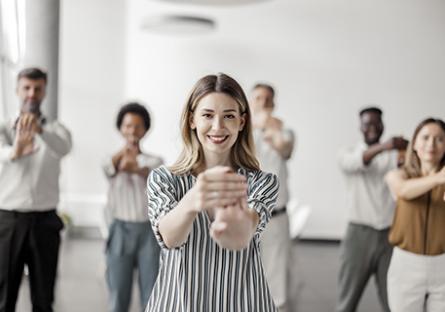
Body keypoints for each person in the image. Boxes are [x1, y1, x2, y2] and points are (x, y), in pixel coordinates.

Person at [145, 73, 279, 312]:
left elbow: (241, 235)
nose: (218, 127)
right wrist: (195, 197)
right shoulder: (163, 179)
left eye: (229, 116)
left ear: (242, 122)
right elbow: (170, 238)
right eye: (208, 115)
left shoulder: (262, 182)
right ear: (192, 120)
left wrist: (233, 223)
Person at [0, 67, 72, 312]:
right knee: (3, 296)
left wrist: (39, 130)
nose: (32, 93)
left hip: (45, 222)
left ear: (45, 91)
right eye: (26, 88)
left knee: (43, 298)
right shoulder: (3, 128)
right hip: (8, 221)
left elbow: (63, 147)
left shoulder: (56, 130)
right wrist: (15, 151)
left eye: (37, 88)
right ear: (17, 90)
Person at [336, 107, 408, 312]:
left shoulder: (395, 156)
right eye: (368, 123)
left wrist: (405, 146)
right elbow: (359, 161)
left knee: (393, 299)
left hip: (389, 234)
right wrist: (386, 146)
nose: (373, 128)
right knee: (347, 299)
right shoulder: (347, 152)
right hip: (359, 234)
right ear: (360, 126)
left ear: (383, 125)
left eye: (377, 123)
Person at [103, 102, 162, 312]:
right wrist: (124, 154)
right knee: (118, 292)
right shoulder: (110, 159)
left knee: (151, 292)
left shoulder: (155, 160)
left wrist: (135, 166)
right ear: (120, 128)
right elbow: (109, 168)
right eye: (128, 126)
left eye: (138, 126)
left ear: (145, 129)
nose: (132, 131)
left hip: (149, 232)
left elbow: (151, 174)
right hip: (120, 230)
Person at [385, 118, 445, 312]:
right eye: (425, 137)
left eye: (439, 139)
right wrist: (438, 178)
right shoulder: (398, 175)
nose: (431, 144)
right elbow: (402, 190)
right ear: (415, 143)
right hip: (406, 265)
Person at [249, 83, 295, 312]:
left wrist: (272, 129)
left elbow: (285, 149)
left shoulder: (284, 131)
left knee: (277, 284)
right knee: (244, 278)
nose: (264, 102)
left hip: (277, 216)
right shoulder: (242, 132)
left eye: (268, 98)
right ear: (251, 101)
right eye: (258, 98)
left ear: (274, 103)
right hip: (246, 215)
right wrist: (257, 126)